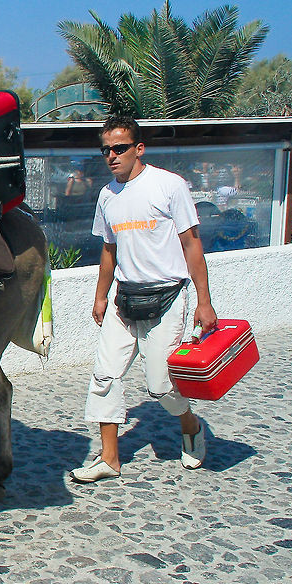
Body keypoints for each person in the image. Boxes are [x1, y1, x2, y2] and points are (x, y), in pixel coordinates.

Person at [69, 116, 217, 483]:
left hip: (167, 296)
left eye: (119, 148)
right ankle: (109, 459)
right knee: (104, 376)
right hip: (124, 298)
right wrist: (100, 296)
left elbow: (191, 243)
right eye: (106, 150)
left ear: (139, 149)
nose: (112, 156)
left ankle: (191, 426)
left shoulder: (169, 186)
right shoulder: (107, 196)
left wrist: (204, 300)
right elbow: (108, 250)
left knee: (161, 385)